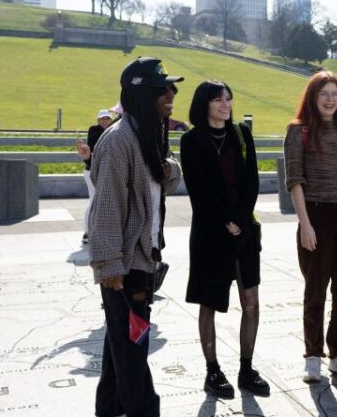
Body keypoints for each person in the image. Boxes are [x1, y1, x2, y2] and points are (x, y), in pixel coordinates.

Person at [88, 57, 183, 417]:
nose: (170, 96)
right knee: (132, 352)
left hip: (144, 258)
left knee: (122, 350)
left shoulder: (151, 132)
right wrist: (111, 266)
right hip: (124, 266)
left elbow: (168, 175)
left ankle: (108, 411)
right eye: (162, 91)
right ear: (142, 94)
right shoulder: (119, 141)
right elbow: (106, 209)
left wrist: (168, 167)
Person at [180, 80, 269, 398]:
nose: (224, 104)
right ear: (204, 104)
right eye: (218, 99)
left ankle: (246, 369)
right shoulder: (191, 141)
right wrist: (225, 220)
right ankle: (213, 371)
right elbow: (198, 190)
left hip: (245, 232)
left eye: (228, 98)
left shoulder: (242, 134)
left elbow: (253, 180)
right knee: (210, 304)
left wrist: (241, 219)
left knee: (251, 302)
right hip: (210, 234)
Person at [284, 71, 337, 383]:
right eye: (324, 93)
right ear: (313, 96)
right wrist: (304, 224)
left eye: (335, 93)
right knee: (315, 291)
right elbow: (295, 180)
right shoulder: (298, 132)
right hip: (316, 216)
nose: (330, 99)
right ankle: (312, 356)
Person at [76, 108, 114, 244]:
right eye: (102, 119)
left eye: (107, 118)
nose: (105, 121)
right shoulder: (94, 130)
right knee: (94, 201)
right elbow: (93, 147)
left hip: (105, 171)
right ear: (98, 120)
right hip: (92, 171)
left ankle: (101, 230)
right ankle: (87, 232)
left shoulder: (113, 131)